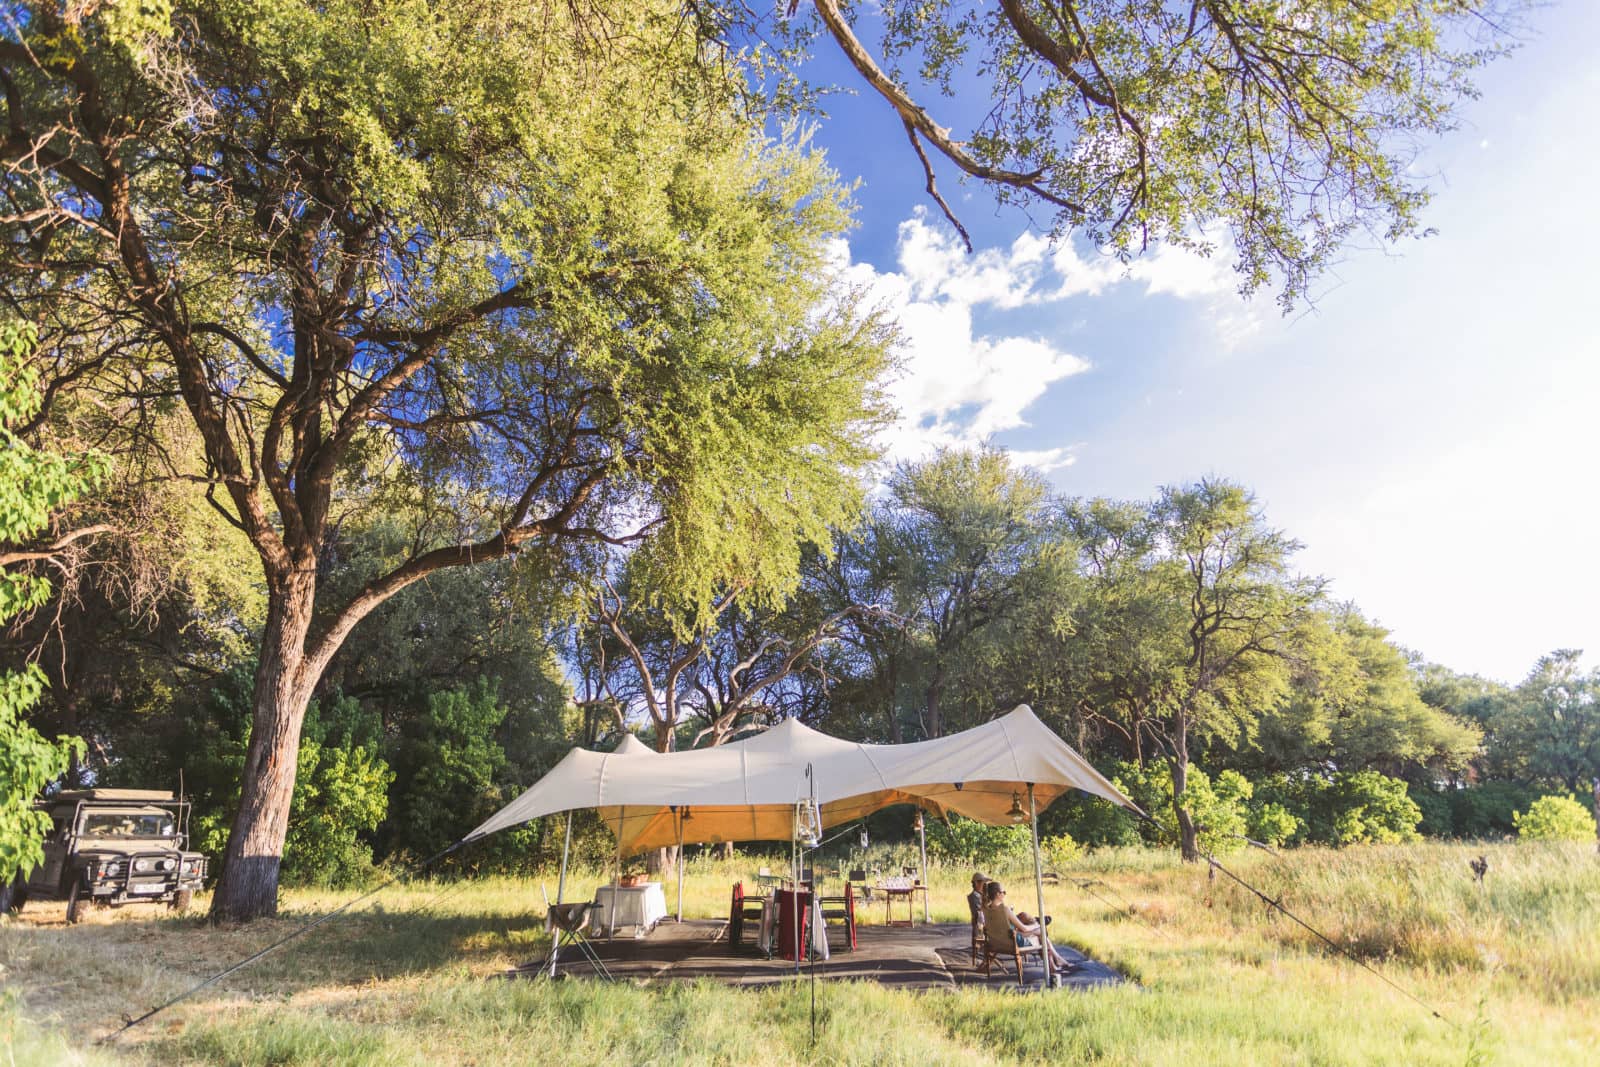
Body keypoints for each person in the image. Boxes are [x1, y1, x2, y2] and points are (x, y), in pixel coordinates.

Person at [982, 880, 1072, 973]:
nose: (1005, 894)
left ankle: (1055, 963)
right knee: (1041, 932)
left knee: (1039, 931)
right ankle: (1055, 964)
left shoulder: (986, 910)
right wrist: (1035, 926)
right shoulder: (1005, 910)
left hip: (998, 942)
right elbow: (1024, 929)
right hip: (1014, 943)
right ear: (997, 894)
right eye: (1004, 892)